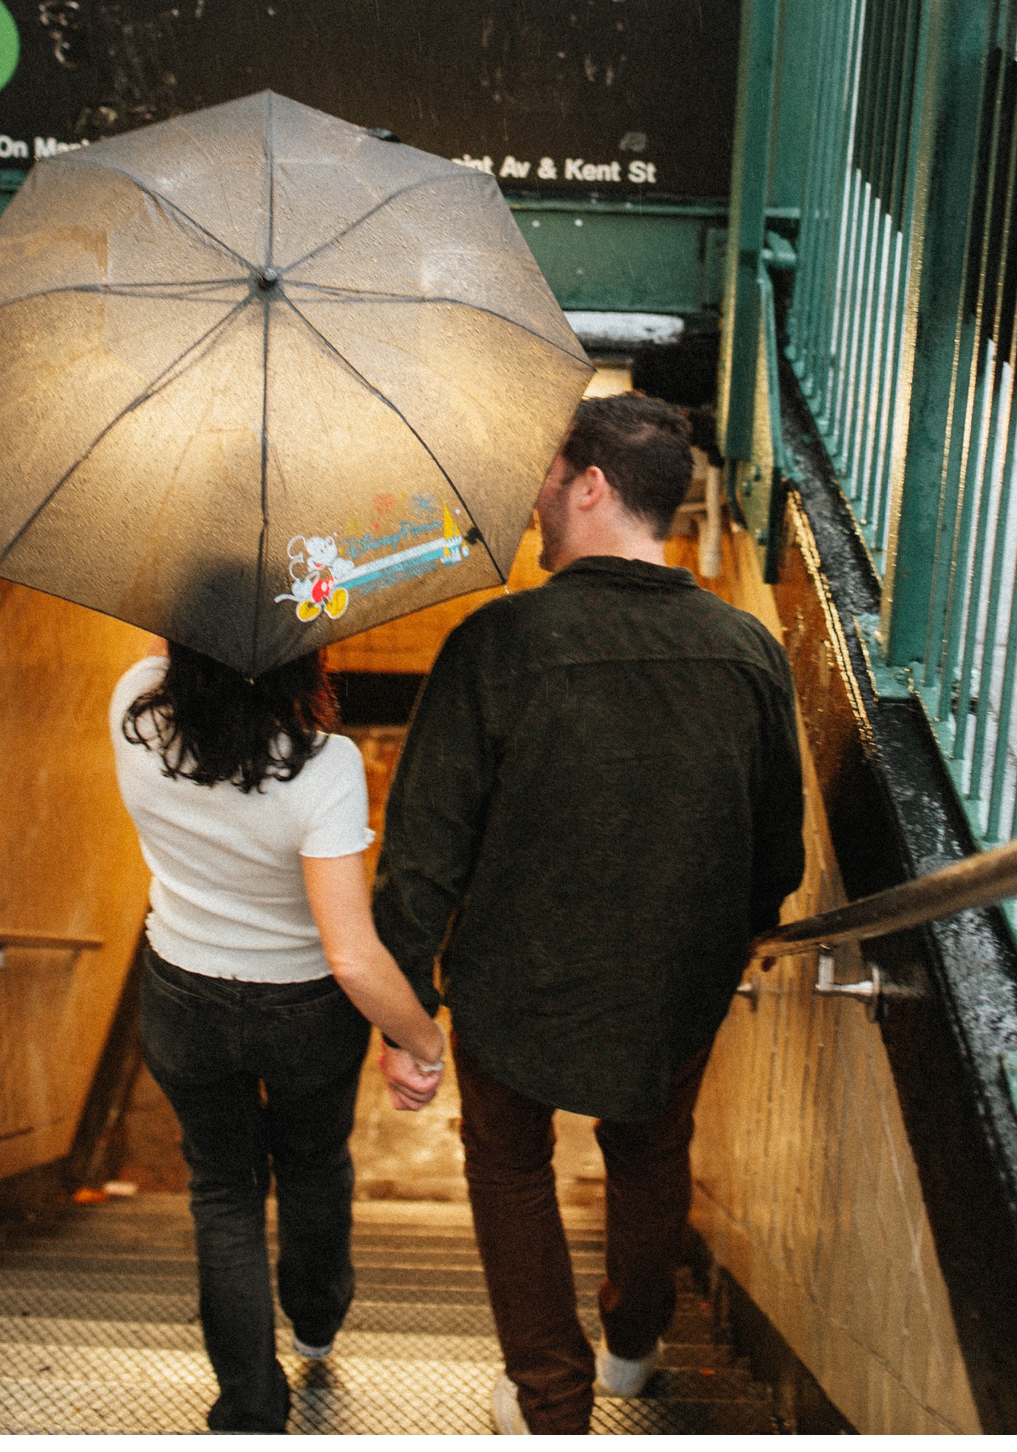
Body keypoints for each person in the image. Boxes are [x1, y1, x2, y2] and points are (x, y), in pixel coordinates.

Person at [371, 394, 805, 1436]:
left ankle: (551, 1402)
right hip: (672, 993)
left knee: (510, 1168)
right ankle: (632, 1347)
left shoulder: (497, 642)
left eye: (549, 474)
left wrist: (406, 1015)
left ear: (592, 486)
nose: (535, 496)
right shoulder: (748, 650)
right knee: (652, 1151)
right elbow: (776, 858)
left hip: (513, 992)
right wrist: (705, 949)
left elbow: (422, 852)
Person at [110, 641, 447, 1434]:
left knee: (223, 1190)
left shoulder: (135, 705)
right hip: (305, 1008)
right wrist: (421, 1040)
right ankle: (317, 1319)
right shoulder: (322, 766)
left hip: (183, 990)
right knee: (313, 1162)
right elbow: (352, 955)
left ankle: (250, 1403)